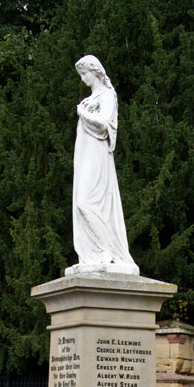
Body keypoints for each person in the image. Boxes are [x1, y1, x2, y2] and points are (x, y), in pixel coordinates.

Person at [68, 55, 139, 275]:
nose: (83, 79)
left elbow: (104, 122)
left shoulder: (107, 95)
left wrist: (83, 112)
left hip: (97, 155)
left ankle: (109, 250)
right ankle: (96, 254)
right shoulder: (91, 98)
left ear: (95, 71)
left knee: (85, 202)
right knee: (82, 204)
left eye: (84, 73)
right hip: (85, 154)